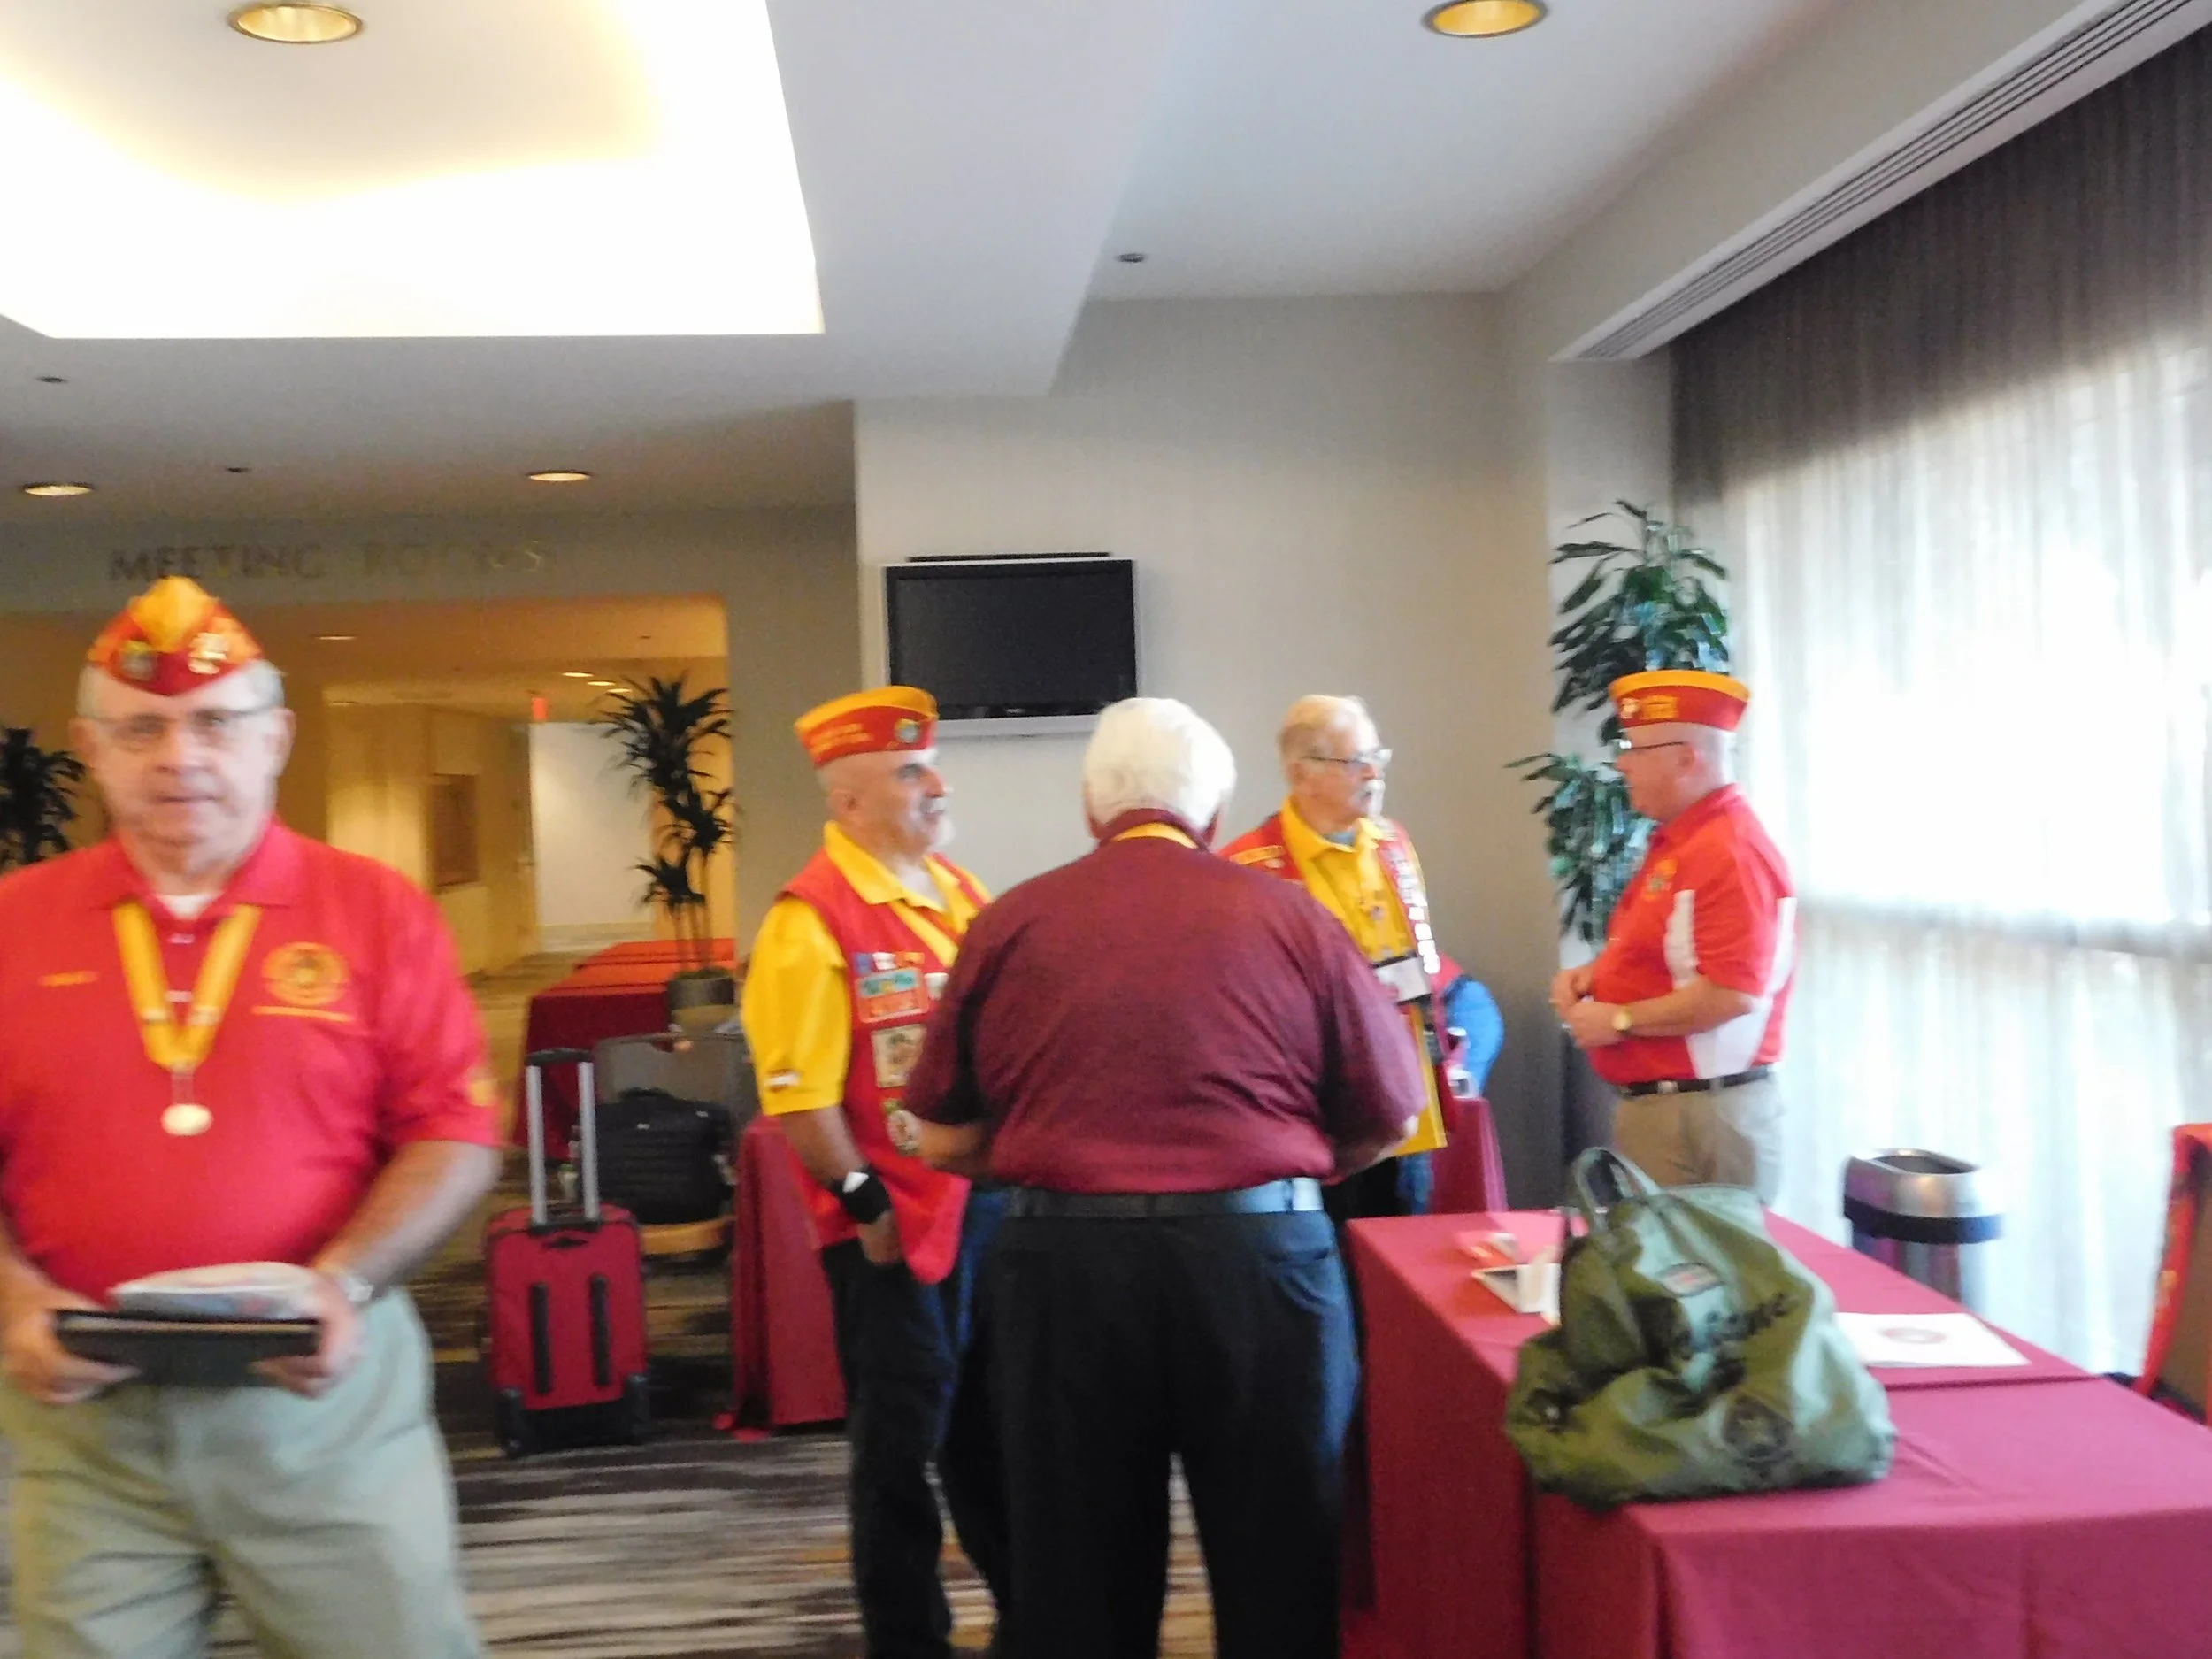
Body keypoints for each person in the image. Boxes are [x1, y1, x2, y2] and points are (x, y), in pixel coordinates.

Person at [0, 576, 502, 1658]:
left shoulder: (375, 912)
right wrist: (13, 1297)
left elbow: (453, 1134)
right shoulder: (14, 923)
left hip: (322, 1406)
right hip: (84, 1422)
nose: (180, 756)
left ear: (275, 737)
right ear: (91, 747)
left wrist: (345, 1279)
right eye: (142, 728)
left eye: (216, 723)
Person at [906, 696, 1424, 1659]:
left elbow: (939, 1138)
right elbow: (1393, 1115)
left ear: (1090, 808)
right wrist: (1291, 1170)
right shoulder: (1293, 917)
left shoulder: (1009, 921)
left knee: (1078, 1586)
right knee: (1281, 1573)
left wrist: (1047, 1153)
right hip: (1262, 1265)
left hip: (1064, 1273)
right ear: (1213, 814)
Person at [738, 687, 1006, 1659]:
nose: (936, 786)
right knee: (899, 1453)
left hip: (986, 1216)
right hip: (895, 1231)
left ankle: (1029, 1617)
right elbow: (798, 1099)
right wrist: (865, 1205)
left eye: (932, 767)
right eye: (909, 772)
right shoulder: (810, 921)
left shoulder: (962, 894)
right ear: (848, 802)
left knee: (994, 1433)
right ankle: (908, 1640)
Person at [1219, 693, 1484, 1219]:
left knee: (1401, 1260)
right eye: (1355, 761)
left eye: (1378, 757)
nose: (1374, 774)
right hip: (1317, 1122)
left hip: (1404, 1114)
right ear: (1302, 774)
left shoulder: (1393, 843)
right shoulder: (1247, 869)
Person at [1552, 670, 1796, 1202]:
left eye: (1635, 750)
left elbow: (1735, 993)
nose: (1622, 764)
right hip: (1672, 1112)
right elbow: (1676, 957)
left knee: (1699, 1257)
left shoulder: (1729, 852)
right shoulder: (1685, 842)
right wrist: (1596, 977)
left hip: (1702, 1119)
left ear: (1687, 759)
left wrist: (1619, 1019)